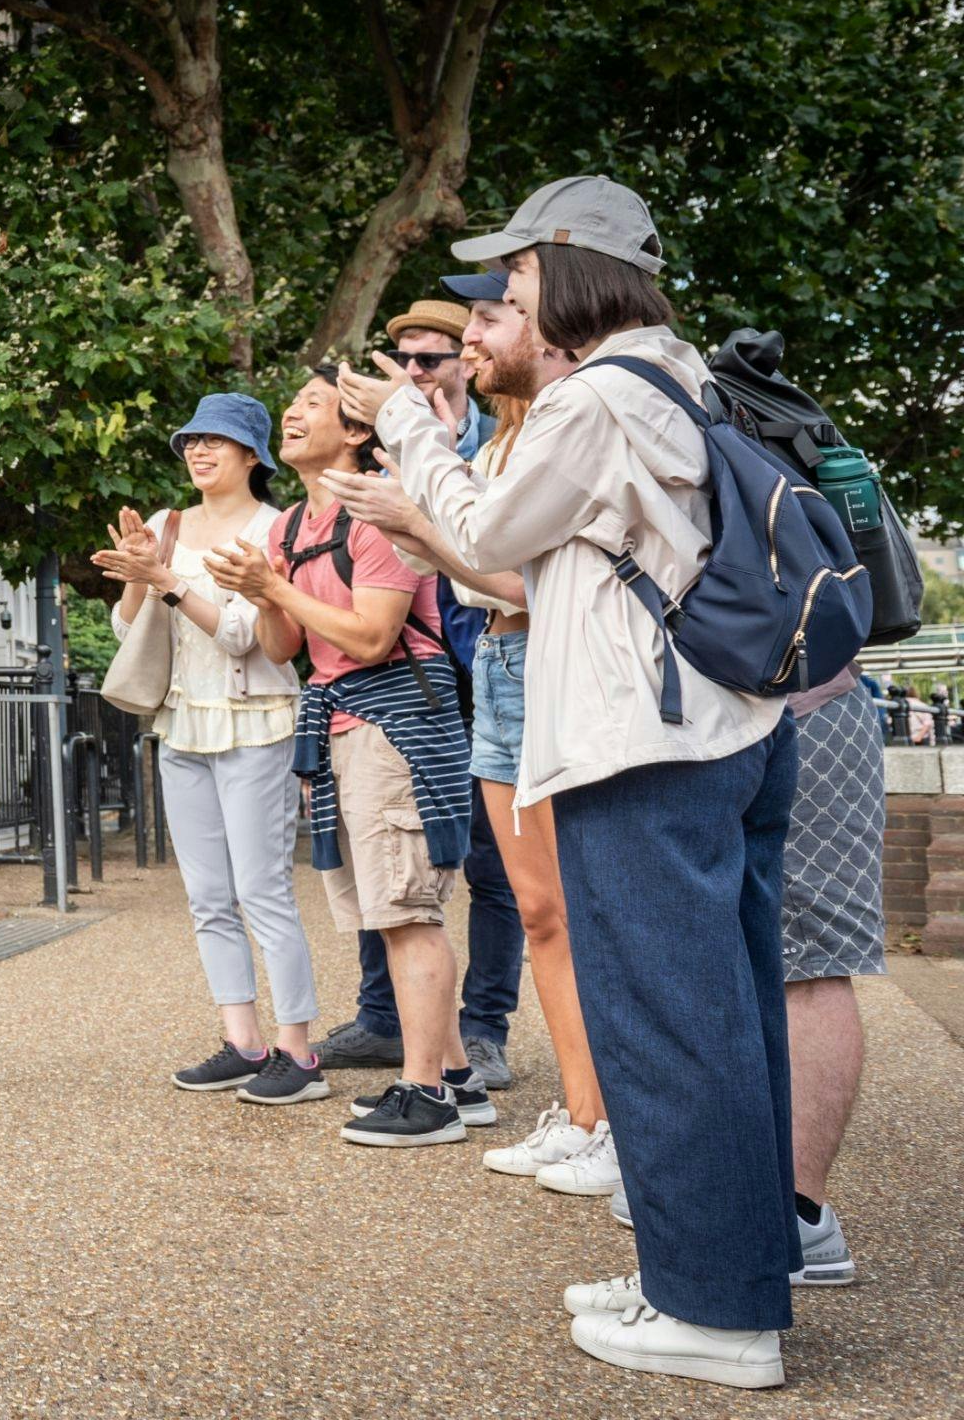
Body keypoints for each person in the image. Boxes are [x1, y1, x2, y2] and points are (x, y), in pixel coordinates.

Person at [344, 176, 796, 1387]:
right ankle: (714, 1270)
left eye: (520, 277)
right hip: (722, 730)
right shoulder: (677, 375)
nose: (507, 296)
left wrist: (410, 429)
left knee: (669, 1020)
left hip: (643, 745)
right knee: (728, 1015)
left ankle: (715, 1312)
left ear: (576, 273)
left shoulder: (599, 396)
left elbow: (489, 541)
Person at [324, 272, 613, 1193]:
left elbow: (520, 581)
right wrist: (413, 505)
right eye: (404, 361)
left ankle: (603, 1118)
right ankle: (581, 1113)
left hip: (540, 663)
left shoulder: (559, 427)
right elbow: (469, 574)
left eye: (480, 327)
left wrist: (415, 511)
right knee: (538, 913)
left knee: (568, 911)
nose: (432, 364)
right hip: (495, 666)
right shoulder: (487, 444)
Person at [206, 373, 481, 1148]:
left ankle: (427, 1096)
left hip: (399, 726)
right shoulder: (288, 527)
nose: (291, 414)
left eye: (312, 405)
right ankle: (457, 1077)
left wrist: (274, 590)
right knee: (384, 912)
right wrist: (264, 593)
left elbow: (369, 637)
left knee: (407, 912)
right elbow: (285, 648)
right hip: (344, 726)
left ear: (358, 433)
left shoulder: (377, 513)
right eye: (291, 404)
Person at [612, 660, 886, 1291]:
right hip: (739, 712)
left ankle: (797, 1213)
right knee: (758, 961)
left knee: (810, 964)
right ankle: (751, 1203)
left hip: (795, 706)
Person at [312, 297, 526, 1092]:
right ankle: (384, 1019)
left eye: (430, 360)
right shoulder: (380, 457)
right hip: (413, 689)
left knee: (493, 869)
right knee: (385, 852)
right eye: (401, 361)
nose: (412, 374)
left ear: (464, 365)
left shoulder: (497, 442)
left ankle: (481, 1030)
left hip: (490, 678)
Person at [90, 393, 318, 1105]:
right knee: (208, 896)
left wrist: (168, 582)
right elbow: (131, 630)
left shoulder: (277, 528)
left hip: (257, 720)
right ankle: (243, 1040)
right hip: (181, 724)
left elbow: (245, 635)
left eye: (217, 440)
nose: (199, 451)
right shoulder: (167, 524)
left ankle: (299, 1052)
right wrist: (138, 574)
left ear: (253, 455)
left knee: (263, 891)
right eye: (191, 440)